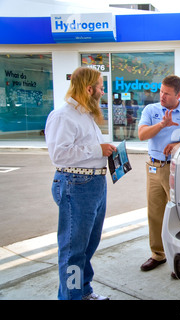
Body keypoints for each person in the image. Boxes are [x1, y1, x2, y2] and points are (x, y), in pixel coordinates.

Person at [45, 67, 117, 300]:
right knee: (73, 250)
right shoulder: (63, 115)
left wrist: (105, 151)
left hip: (93, 184)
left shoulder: (85, 114)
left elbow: (84, 150)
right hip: (76, 185)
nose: (103, 91)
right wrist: (97, 149)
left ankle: (83, 291)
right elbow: (59, 154)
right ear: (89, 89)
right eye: (100, 86)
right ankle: (72, 297)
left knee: (87, 246)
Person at [138, 75, 180, 273]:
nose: (162, 96)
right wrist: (162, 125)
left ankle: (179, 259)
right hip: (154, 167)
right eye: (161, 91)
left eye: (167, 93)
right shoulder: (151, 110)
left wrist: (179, 145)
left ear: (179, 94)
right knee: (154, 213)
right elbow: (142, 135)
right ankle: (158, 255)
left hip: (177, 169)